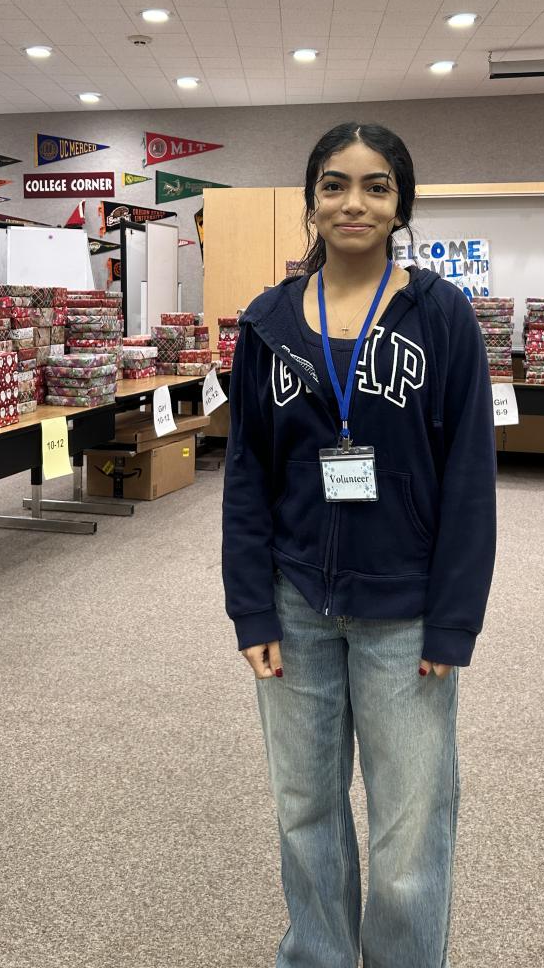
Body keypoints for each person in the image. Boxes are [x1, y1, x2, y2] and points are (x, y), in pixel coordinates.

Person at [222, 122, 497, 968]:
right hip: (295, 604)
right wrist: (250, 608)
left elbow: (469, 477)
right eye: (334, 184)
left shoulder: (441, 317)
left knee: (411, 824)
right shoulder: (267, 323)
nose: (354, 203)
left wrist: (454, 621)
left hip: (406, 613)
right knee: (304, 811)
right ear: (311, 201)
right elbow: (247, 474)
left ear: (400, 204)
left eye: (376, 186)